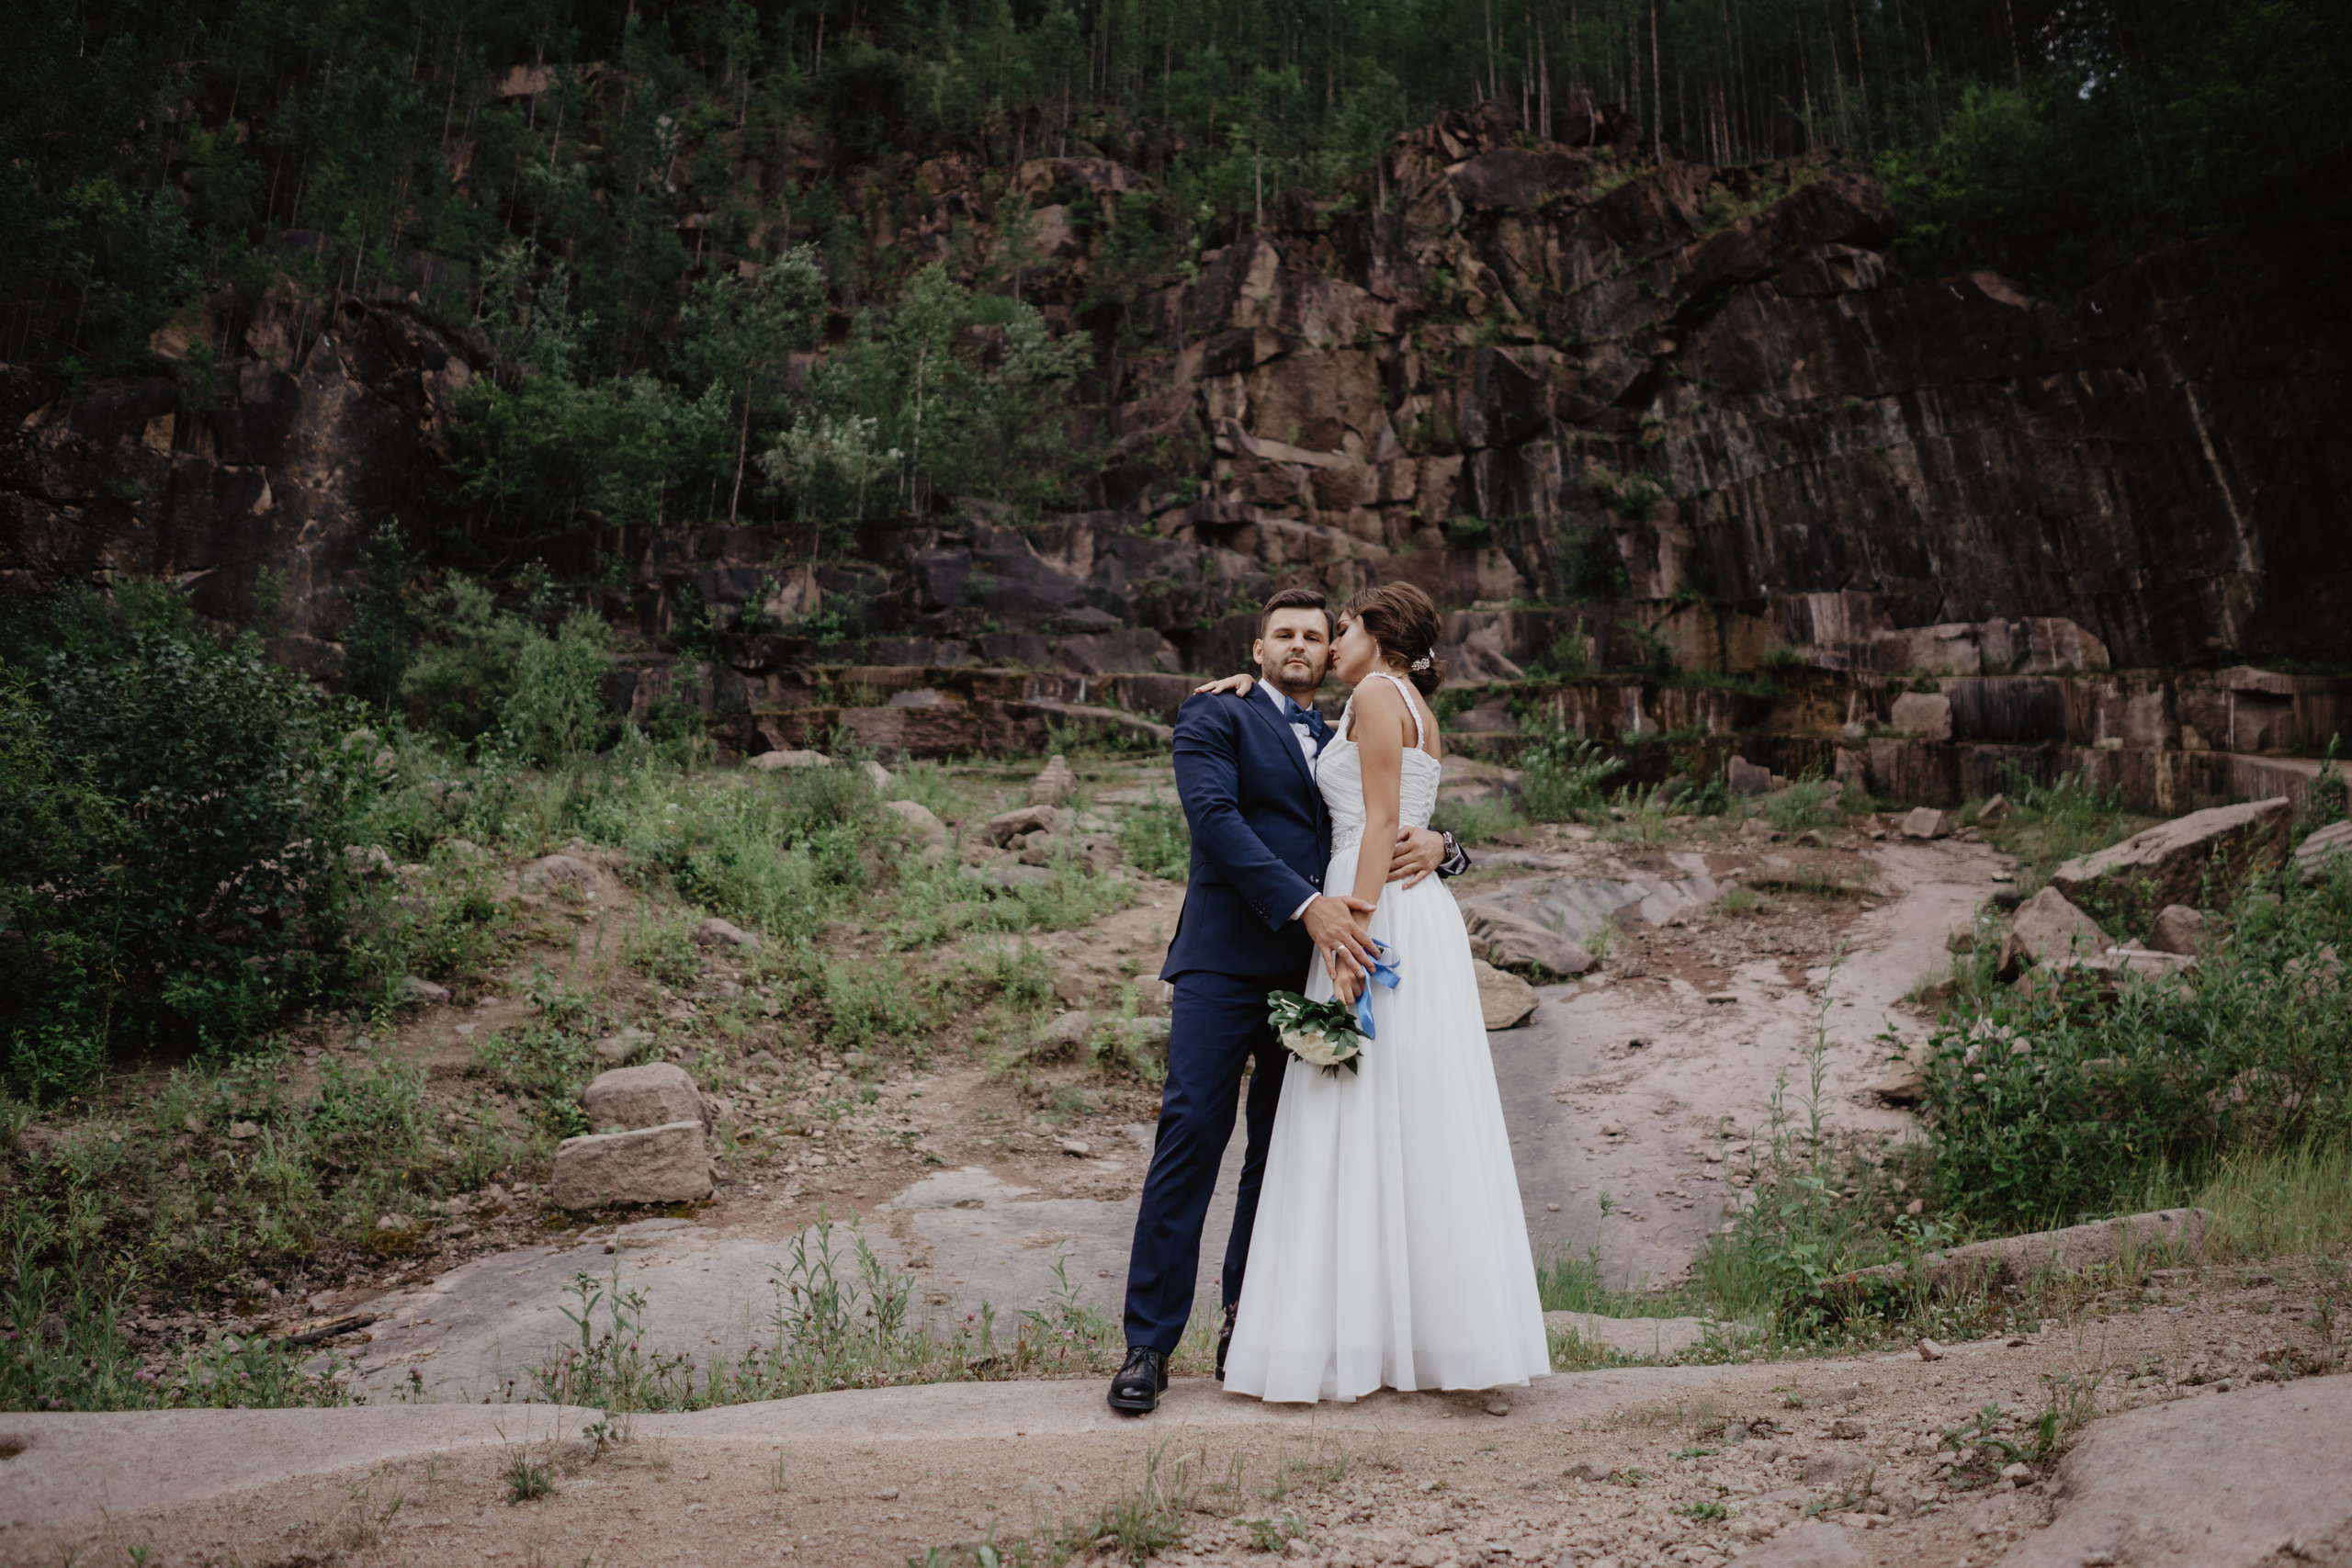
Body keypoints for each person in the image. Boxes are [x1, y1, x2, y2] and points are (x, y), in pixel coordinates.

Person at [1108, 587, 1473, 1416]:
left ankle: (1251, 1327)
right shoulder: (1216, 716)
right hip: (1226, 962)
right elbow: (1216, 820)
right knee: (1190, 1137)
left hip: (1316, 969)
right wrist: (1311, 907)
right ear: (1258, 647)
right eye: (1288, 635)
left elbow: (1385, 817)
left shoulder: (1344, 719)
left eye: (1319, 633)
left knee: (1283, 1158)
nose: (1306, 644)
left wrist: (1449, 848)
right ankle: (1148, 1346)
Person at [1216, 581, 1551, 1404]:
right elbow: (1400, 810)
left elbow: (1374, 819)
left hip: (1376, 913)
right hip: (1419, 915)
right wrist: (1240, 683)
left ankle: (1350, 1339)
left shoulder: (1370, 691)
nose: (1330, 643)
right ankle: (1430, 1337)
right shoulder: (1413, 703)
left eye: (1342, 628)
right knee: (1414, 1116)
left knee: (1355, 1111)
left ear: (1374, 635)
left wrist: (1352, 938)